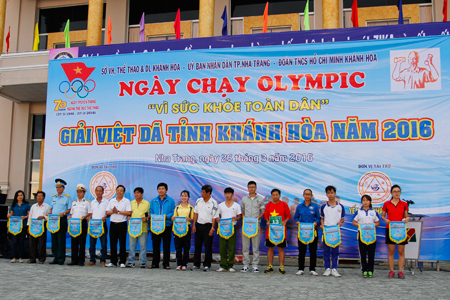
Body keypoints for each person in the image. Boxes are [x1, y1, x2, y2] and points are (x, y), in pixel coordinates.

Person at [381, 185, 410, 279]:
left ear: (400, 192)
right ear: (391, 193)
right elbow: (383, 216)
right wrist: (385, 220)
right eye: (394, 191)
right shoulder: (387, 204)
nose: (396, 193)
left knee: (401, 251)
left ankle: (401, 271)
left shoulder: (404, 204)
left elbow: (406, 216)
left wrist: (407, 219)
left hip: (401, 229)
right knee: (391, 251)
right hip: (390, 229)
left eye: (398, 191)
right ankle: (391, 271)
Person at [192, 184, 219, 272]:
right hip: (199, 225)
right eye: (201, 191)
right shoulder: (198, 201)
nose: (202, 193)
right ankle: (196, 264)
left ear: (208, 193)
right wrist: (194, 225)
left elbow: (214, 217)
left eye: (203, 192)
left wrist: (212, 228)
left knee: (208, 246)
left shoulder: (213, 202)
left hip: (208, 226)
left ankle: (207, 265)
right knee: (197, 245)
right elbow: (196, 213)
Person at [294, 189, 321, 276]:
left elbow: (318, 217)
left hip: (312, 231)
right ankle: (301, 268)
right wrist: (297, 222)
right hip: (302, 231)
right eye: (306, 194)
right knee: (302, 250)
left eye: (309, 194)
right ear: (303, 195)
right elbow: (296, 217)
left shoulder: (315, 206)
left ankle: (312, 269)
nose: (307, 196)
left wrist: (316, 222)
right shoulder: (299, 206)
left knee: (313, 250)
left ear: (311, 196)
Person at [264, 189, 291, 274]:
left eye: (277, 195)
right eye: (273, 195)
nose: (275, 196)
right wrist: (267, 221)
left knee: (281, 248)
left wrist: (285, 221)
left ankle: (281, 266)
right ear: (271, 196)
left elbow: (288, 216)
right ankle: (270, 266)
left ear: (279, 195)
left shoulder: (284, 204)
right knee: (270, 248)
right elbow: (266, 216)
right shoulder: (268, 205)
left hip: (281, 231)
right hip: (271, 231)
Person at [149, 182, 175, 269]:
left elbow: (173, 212)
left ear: (166, 190)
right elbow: (151, 211)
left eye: (163, 188)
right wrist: (153, 216)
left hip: (167, 225)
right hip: (156, 225)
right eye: (159, 189)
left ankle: (166, 263)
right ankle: (155, 263)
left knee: (166, 245)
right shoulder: (154, 201)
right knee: (155, 245)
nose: (161, 190)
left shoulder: (171, 200)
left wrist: (166, 216)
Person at [352, 195, 380, 278]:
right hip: (362, 235)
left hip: (371, 235)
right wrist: (361, 225)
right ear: (361, 202)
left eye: (367, 200)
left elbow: (378, 223)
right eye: (364, 200)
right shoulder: (358, 212)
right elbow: (354, 222)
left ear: (370, 202)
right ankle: (364, 270)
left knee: (371, 253)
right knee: (363, 253)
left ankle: (371, 270)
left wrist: (372, 225)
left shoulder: (374, 212)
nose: (365, 202)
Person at [240, 181, 265, 273]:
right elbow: (242, 211)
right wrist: (244, 217)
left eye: (253, 187)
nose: (251, 189)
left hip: (255, 225)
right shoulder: (244, 199)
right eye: (250, 187)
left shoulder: (260, 199)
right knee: (245, 246)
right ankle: (245, 265)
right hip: (246, 225)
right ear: (247, 188)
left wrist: (257, 218)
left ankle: (255, 265)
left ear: (256, 188)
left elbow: (263, 212)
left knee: (255, 246)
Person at [320, 185, 345, 277]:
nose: (330, 195)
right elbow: (322, 218)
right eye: (328, 193)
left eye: (332, 193)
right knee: (326, 251)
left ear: (335, 193)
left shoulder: (340, 207)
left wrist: (340, 222)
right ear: (326, 194)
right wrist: (322, 224)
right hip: (326, 231)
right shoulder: (323, 207)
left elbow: (342, 219)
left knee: (335, 251)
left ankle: (334, 268)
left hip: (336, 231)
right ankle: (327, 268)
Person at [217, 187, 242, 272]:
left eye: (229, 193)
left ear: (232, 194)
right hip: (222, 228)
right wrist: (217, 219)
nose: (227, 195)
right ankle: (223, 265)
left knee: (232, 247)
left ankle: (230, 265)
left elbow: (240, 217)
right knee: (222, 247)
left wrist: (236, 218)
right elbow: (217, 216)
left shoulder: (236, 205)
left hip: (232, 228)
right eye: (226, 193)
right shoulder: (220, 205)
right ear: (224, 194)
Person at [106, 185, 131, 268]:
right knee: (113, 244)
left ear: (124, 192)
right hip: (113, 224)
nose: (119, 192)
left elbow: (128, 213)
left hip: (122, 224)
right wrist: (113, 212)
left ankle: (122, 262)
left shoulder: (126, 201)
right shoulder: (111, 201)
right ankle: (113, 261)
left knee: (122, 243)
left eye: (121, 190)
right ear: (115, 191)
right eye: (118, 190)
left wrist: (118, 212)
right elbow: (107, 212)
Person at [48, 179, 72, 265]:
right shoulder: (53, 197)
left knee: (61, 239)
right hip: (53, 220)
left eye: (60, 187)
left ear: (63, 188)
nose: (58, 189)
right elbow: (51, 208)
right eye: (57, 187)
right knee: (54, 239)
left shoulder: (67, 197)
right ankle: (55, 257)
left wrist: (64, 213)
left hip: (62, 219)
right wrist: (48, 213)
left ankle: (61, 258)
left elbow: (69, 209)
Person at [67, 184, 91, 266]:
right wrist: (69, 217)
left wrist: (85, 216)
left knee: (82, 242)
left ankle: (81, 260)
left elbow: (90, 213)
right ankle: (74, 260)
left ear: (84, 193)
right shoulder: (74, 202)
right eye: (78, 192)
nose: (79, 193)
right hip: (74, 223)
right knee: (74, 242)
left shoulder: (87, 202)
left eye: (81, 192)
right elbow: (71, 213)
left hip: (82, 223)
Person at [86, 185, 109, 267]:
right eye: (97, 191)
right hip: (93, 225)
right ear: (95, 192)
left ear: (103, 192)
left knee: (104, 244)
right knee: (92, 244)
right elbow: (90, 214)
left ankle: (103, 260)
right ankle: (92, 260)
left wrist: (105, 217)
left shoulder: (106, 202)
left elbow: (108, 213)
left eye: (100, 191)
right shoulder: (91, 202)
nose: (98, 192)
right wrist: (88, 218)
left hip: (102, 225)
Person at [127, 187, 150, 268]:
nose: (136, 194)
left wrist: (146, 219)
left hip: (143, 228)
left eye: (138, 193)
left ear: (142, 194)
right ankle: (131, 262)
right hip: (132, 228)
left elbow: (148, 216)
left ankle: (142, 262)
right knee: (132, 245)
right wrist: (128, 217)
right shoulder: (131, 203)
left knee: (143, 246)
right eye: (135, 193)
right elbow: (129, 213)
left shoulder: (147, 203)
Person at [172, 190, 194, 270]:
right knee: (178, 247)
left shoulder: (191, 208)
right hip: (177, 228)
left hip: (187, 228)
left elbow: (193, 219)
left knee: (186, 247)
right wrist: (173, 218)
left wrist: (189, 219)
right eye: (182, 195)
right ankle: (179, 264)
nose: (183, 197)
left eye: (185, 196)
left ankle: (185, 264)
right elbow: (174, 217)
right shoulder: (177, 207)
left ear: (188, 197)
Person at [7, 190, 31, 263]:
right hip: (15, 226)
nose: (20, 196)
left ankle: (20, 257)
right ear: (16, 197)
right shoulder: (14, 205)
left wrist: (25, 217)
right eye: (18, 195)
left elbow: (29, 215)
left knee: (21, 241)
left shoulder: (27, 205)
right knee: (14, 242)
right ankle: (13, 256)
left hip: (23, 225)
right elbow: (12, 215)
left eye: (21, 195)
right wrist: (9, 216)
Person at [27, 191, 50, 264]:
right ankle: (32, 258)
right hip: (33, 226)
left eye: (41, 196)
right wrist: (28, 226)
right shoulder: (33, 206)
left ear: (44, 197)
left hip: (42, 226)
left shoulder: (47, 206)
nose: (39, 198)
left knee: (42, 243)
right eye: (38, 196)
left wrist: (44, 217)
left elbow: (49, 216)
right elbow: (30, 216)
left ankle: (41, 258)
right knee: (32, 243)